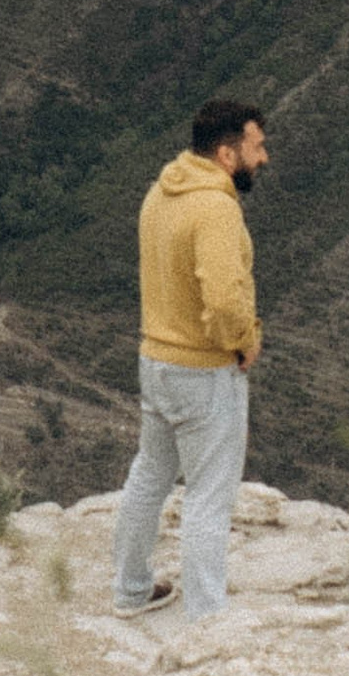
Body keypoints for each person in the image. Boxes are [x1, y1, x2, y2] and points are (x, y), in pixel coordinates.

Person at [110, 96, 267, 621]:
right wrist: (243, 341)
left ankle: (130, 591)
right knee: (209, 498)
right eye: (256, 146)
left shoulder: (162, 191)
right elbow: (223, 298)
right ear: (228, 153)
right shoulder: (216, 208)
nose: (262, 158)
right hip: (203, 369)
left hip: (155, 358)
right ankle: (206, 621)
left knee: (149, 474)